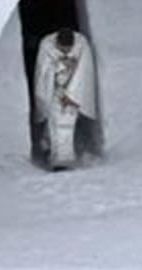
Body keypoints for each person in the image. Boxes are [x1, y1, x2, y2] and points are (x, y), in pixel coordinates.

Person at [33, 27, 98, 169]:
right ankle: (55, 158)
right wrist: (60, 65)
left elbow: (84, 71)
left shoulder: (82, 45)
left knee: (67, 125)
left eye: (69, 49)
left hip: (73, 92)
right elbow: (43, 71)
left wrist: (72, 94)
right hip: (53, 90)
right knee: (54, 124)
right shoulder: (46, 45)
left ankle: (66, 159)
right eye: (63, 49)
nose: (66, 52)